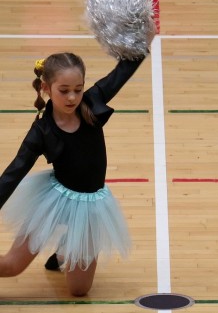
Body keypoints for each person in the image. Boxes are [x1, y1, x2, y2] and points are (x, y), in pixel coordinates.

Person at [0, 52, 147, 296]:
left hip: (90, 206)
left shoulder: (92, 102)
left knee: (79, 290)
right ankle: (64, 248)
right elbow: (13, 173)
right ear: (46, 88)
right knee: (11, 266)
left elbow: (122, 72)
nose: (72, 97)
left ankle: (62, 250)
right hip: (52, 201)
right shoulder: (42, 131)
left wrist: (144, 42)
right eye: (64, 90)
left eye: (78, 90)